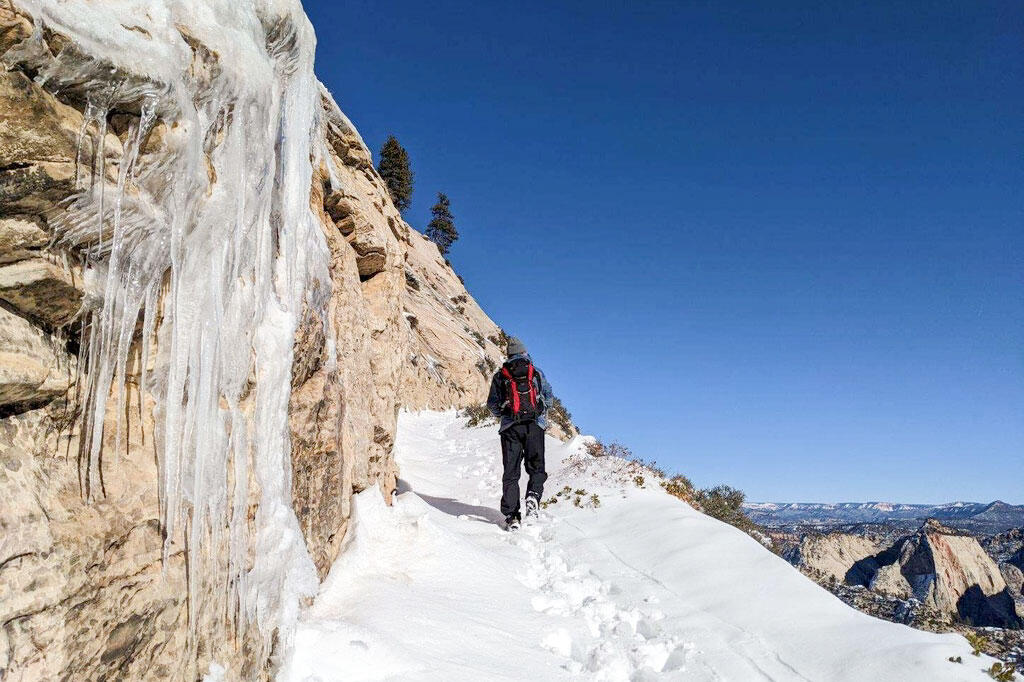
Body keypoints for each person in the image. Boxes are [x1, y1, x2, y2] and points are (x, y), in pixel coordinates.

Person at [486, 336, 553, 530]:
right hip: (534, 426)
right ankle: (533, 496)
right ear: (524, 352)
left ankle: (512, 516)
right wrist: (540, 414)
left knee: (511, 472)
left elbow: (492, 404)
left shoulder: (501, 375)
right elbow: (548, 397)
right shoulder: (536, 372)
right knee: (536, 467)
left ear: (508, 354)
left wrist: (505, 414)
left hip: (510, 429)